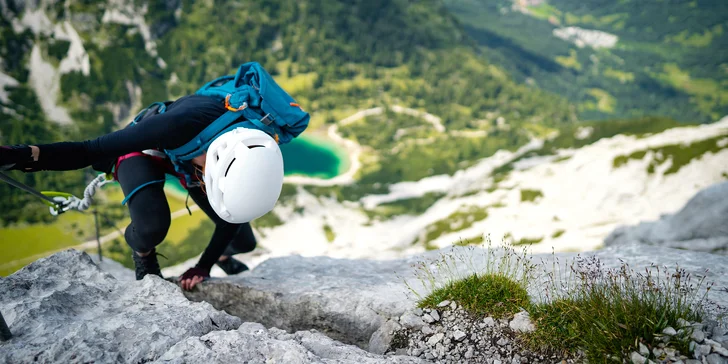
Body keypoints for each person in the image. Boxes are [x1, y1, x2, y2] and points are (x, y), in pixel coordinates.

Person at [0, 92, 287, 291]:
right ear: (211, 166)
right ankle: (143, 253)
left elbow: (230, 218)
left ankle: (225, 257)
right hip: (147, 148)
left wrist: (204, 265)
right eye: (208, 177)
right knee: (152, 225)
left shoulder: (255, 139)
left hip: (190, 153)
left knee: (245, 241)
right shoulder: (172, 126)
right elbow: (89, 150)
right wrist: (26, 154)